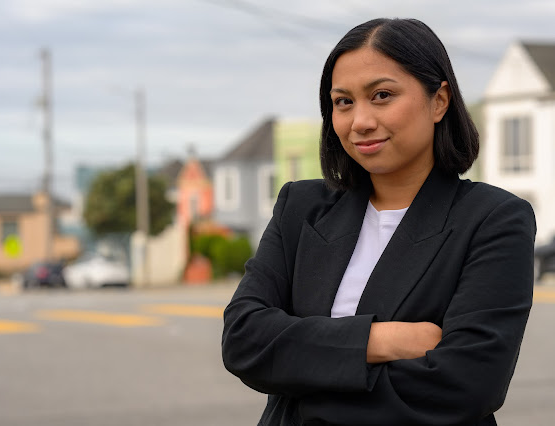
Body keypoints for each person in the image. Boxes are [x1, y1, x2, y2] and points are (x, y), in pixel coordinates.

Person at [222, 18, 536, 426]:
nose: (360, 121)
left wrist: (302, 390)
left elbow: (467, 384)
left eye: (382, 95)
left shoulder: (493, 219)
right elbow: (244, 339)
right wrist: (379, 340)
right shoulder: (300, 207)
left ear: (439, 100)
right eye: (343, 102)